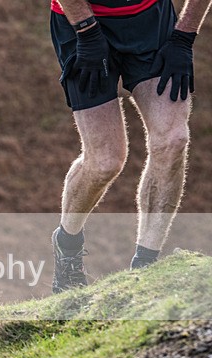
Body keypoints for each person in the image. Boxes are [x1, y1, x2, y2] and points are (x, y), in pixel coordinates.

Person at [49, 0, 211, 292]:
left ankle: (146, 266)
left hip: (148, 20)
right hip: (80, 22)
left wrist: (184, 37)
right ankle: (67, 245)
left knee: (172, 139)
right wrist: (86, 31)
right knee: (105, 161)